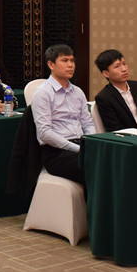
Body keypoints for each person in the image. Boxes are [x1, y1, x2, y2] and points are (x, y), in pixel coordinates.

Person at [30, 44, 97, 184]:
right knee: (94, 167)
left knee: (110, 162)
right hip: (56, 152)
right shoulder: (43, 93)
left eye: (72, 61)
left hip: (80, 145)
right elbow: (44, 133)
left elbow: (87, 123)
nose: (70, 65)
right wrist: (77, 149)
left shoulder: (77, 92)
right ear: (51, 64)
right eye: (65, 61)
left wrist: (90, 143)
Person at [93, 49, 137, 131]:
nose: (124, 69)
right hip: (130, 136)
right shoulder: (104, 97)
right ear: (106, 73)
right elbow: (115, 128)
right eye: (117, 66)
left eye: (124, 64)